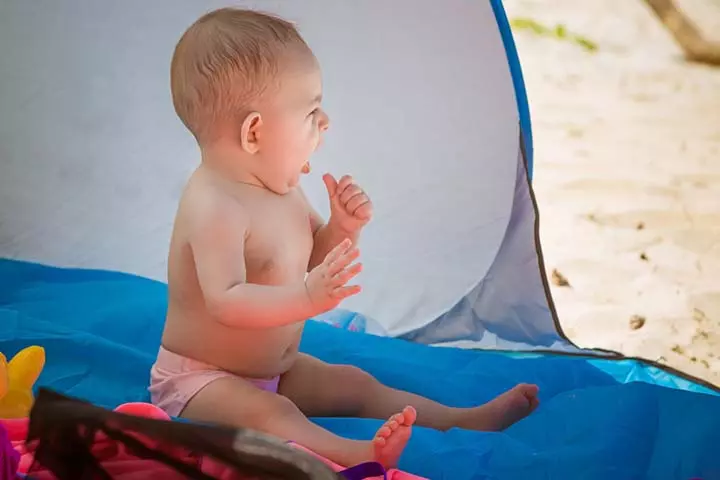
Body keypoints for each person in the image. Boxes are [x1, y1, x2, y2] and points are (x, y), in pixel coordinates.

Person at [149, 7, 540, 469]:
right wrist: (306, 298)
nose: (326, 121)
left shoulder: (282, 189)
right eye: (312, 111)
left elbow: (314, 259)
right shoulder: (214, 205)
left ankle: (464, 418)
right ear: (254, 132)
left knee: (354, 383)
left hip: (272, 368)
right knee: (274, 413)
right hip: (201, 381)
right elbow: (226, 301)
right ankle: (358, 455)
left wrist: (343, 229)